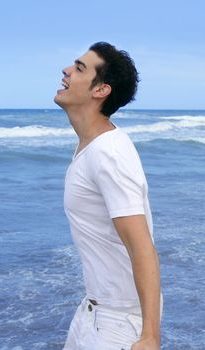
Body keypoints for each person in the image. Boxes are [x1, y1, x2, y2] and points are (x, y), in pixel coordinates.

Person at [54, 42, 162, 350]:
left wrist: (150, 337)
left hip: (119, 322)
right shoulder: (90, 146)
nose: (66, 70)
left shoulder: (108, 153)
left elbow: (142, 247)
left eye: (79, 68)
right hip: (94, 310)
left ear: (100, 90)